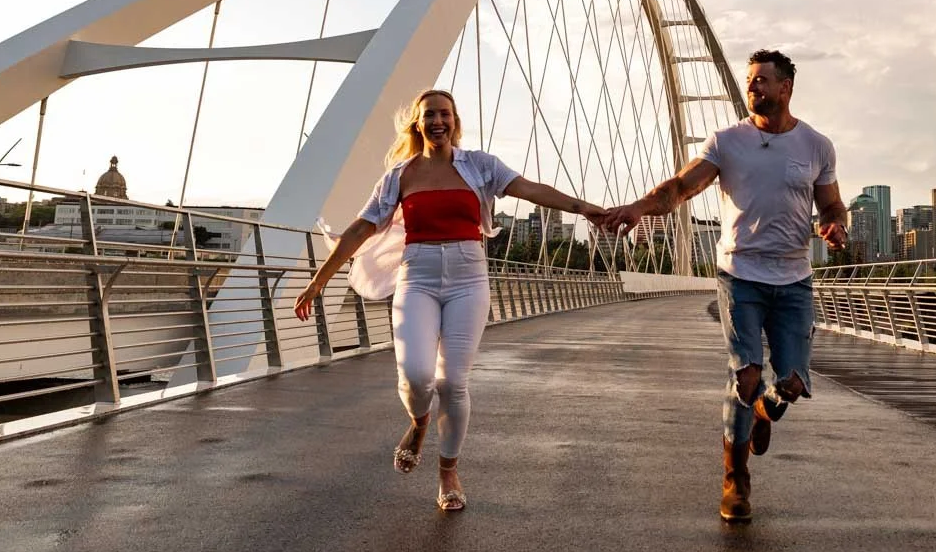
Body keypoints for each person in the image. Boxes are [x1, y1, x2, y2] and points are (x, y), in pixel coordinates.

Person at [295, 88, 604, 511]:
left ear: (454, 121)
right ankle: (420, 423)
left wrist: (586, 209)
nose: (437, 122)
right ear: (418, 125)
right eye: (429, 116)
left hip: (468, 277)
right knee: (417, 377)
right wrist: (318, 281)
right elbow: (359, 230)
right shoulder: (399, 176)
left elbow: (532, 189)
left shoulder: (480, 166)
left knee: (453, 382)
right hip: (417, 276)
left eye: (444, 114)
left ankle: (448, 471)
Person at [598, 50, 847, 524]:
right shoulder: (727, 141)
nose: (752, 88)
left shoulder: (817, 145)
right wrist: (638, 207)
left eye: (761, 81)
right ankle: (735, 478)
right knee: (746, 375)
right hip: (740, 274)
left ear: (786, 88)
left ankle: (763, 413)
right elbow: (680, 188)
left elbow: (833, 206)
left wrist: (835, 226)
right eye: (749, 80)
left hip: (794, 278)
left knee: (792, 382)